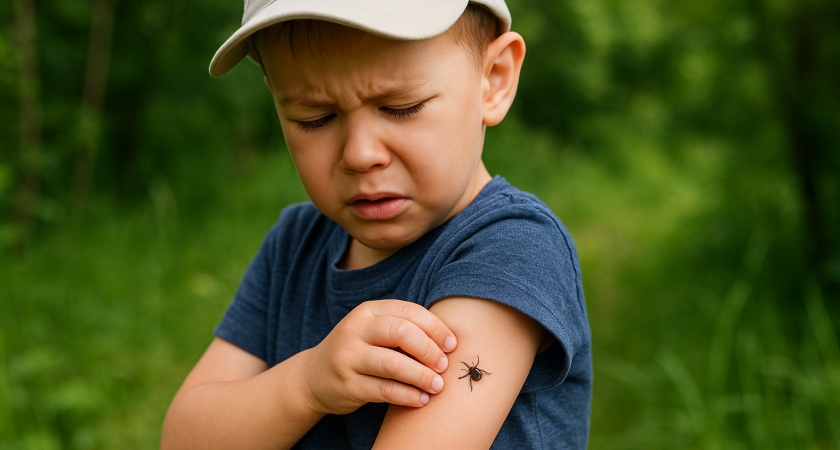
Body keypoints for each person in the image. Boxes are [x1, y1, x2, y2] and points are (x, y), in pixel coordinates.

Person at [161, 1, 592, 448]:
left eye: (401, 107)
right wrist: (306, 384)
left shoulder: (513, 250)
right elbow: (182, 438)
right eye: (314, 117)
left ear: (494, 80)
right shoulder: (295, 244)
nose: (361, 154)